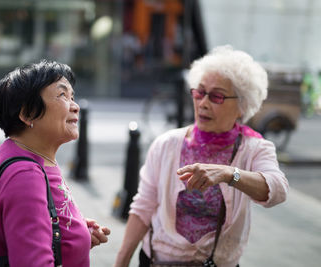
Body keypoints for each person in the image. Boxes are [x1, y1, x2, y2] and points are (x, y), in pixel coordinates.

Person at [115, 45, 288, 267]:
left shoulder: (254, 148)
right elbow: (143, 207)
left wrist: (228, 174)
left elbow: (278, 190)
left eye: (216, 96)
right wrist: (120, 262)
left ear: (242, 106)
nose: (203, 103)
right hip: (157, 261)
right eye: (199, 92)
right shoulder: (167, 144)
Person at [0, 60, 110, 266]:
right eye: (62, 96)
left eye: (72, 97)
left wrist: (74, 233)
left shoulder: (25, 153)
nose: (75, 106)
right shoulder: (24, 176)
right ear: (26, 114)